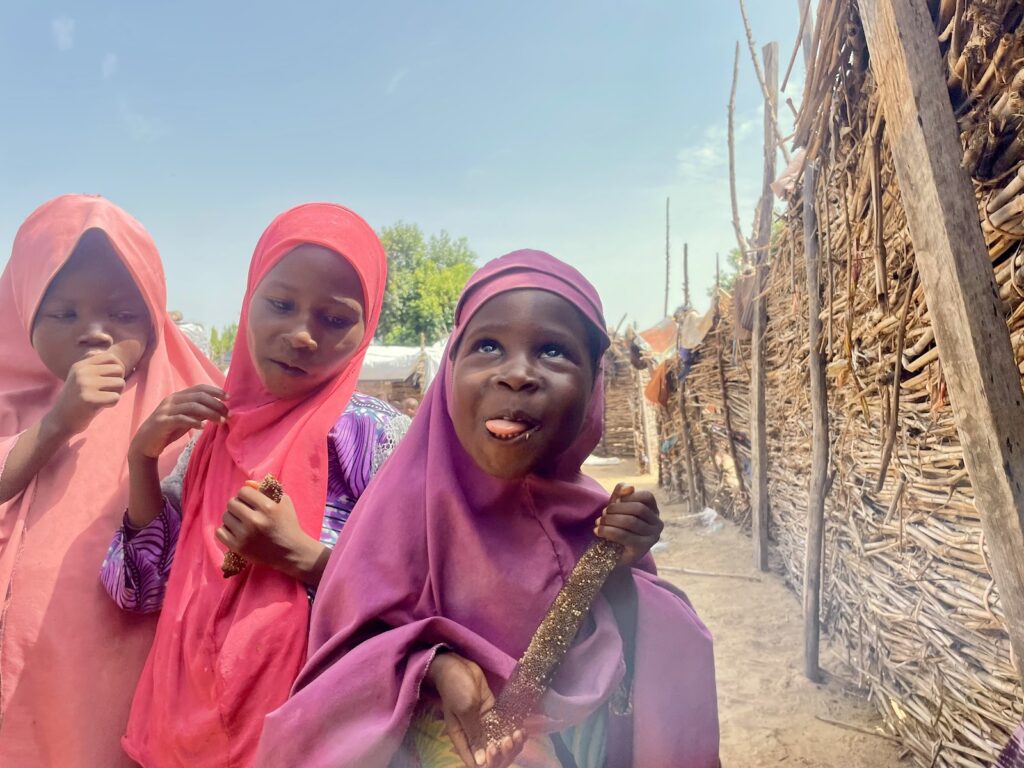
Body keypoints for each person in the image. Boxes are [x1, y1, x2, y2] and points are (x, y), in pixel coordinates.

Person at [256, 250, 720, 768]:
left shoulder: (598, 523)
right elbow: (344, 649)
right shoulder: (396, 515)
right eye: (489, 346)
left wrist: (626, 568)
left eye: (553, 352)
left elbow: (639, 668)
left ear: (594, 384)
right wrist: (433, 665)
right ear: (451, 369)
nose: (517, 374)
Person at [102, 202, 407, 767]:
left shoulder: (379, 443)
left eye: (335, 318)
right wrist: (142, 460)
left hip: (310, 734)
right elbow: (140, 592)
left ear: (367, 329)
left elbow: (418, 609)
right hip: (177, 728)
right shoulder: (210, 435)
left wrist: (303, 557)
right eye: (281, 304)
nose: (300, 335)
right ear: (248, 303)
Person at [0, 194, 222, 766]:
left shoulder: (189, 400)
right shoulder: (7, 391)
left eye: (123, 315)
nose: (95, 333)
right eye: (64, 313)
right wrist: (56, 424)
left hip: (121, 679)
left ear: (153, 318)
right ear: (23, 310)